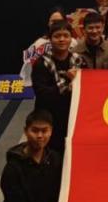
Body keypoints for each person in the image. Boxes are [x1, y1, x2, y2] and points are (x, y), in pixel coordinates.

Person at [31, 21, 86, 152]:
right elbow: (43, 94)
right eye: (57, 36)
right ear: (50, 39)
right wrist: (68, 81)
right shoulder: (41, 63)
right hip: (49, 116)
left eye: (66, 36)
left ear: (71, 39)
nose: (62, 39)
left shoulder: (79, 60)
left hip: (72, 115)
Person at [20, 8, 66, 85]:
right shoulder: (38, 44)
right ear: (48, 23)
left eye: (59, 21)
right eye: (53, 21)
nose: (56, 24)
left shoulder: (73, 42)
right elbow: (27, 68)